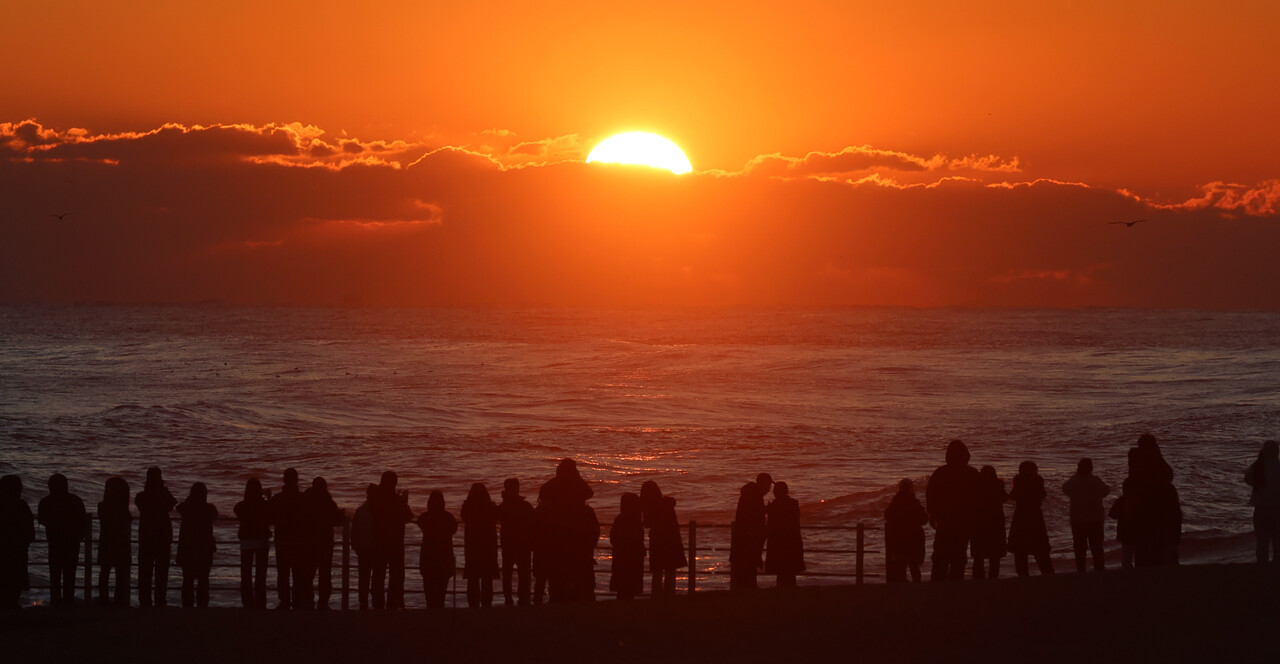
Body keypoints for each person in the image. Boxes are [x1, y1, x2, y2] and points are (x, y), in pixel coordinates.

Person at [925, 440, 980, 581]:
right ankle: (956, 584)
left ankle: (938, 584)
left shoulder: (940, 473)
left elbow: (931, 495)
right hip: (964, 522)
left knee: (941, 556)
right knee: (959, 554)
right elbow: (979, 499)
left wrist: (932, 515)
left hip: (945, 521)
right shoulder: (972, 473)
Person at [1128, 434, 1180, 567]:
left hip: (1142, 505)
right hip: (1154, 505)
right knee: (1155, 538)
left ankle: (1143, 565)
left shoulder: (1136, 459)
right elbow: (1168, 475)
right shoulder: (1152, 458)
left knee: (1143, 540)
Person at [38, 473, 86, 606]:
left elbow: (41, 519)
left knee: (55, 572)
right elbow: (82, 520)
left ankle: (55, 600)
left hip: (54, 540)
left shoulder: (46, 501)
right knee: (70, 572)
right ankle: (68, 600)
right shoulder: (75, 500)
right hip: (72, 541)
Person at [135, 466, 176, 607]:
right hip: (163, 536)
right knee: (162, 572)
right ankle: (160, 600)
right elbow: (173, 503)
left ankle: (144, 601)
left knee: (144, 572)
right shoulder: (164, 494)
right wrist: (163, 489)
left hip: (146, 536)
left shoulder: (141, 497)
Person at [372, 470, 413, 610]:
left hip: (379, 540)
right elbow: (408, 516)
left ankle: (377, 604)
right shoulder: (396, 500)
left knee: (378, 574)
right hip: (395, 541)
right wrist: (404, 501)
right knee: (396, 575)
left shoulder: (375, 499)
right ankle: (394, 603)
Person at [1063, 458, 1110, 573]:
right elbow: (1106, 491)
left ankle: (1081, 571)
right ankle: (1099, 570)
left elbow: (1065, 489)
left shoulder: (1074, 481)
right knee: (1097, 547)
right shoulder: (1095, 480)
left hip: (1078, 519)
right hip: (1095, 518)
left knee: (1080, 548)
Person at [640, 480, 687, 597]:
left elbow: (647, 524)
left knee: (657, 571)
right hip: (672, 540)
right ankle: (670, 595)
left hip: (657, 541)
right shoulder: (667, 504)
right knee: (670, 570)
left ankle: (656, 596)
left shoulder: (650, 507)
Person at [268, 468, 306, 609]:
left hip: (282, 541)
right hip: (299, 541)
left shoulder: (278, 499)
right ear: (297, 480)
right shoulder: (303, 499)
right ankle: (297, 601)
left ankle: (284, 602)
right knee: (298, 574)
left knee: (283, 574)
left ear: (284, 480)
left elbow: (269, 517)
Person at [1008, 461, 1054, 577]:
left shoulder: (1018, 480)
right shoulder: (1038, 480)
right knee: (1041, 550)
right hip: (1035, 517)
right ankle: (1049, 576)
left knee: (1020, 551)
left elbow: (1012, 496)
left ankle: (1023, 577)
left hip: (1020, 517)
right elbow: (1042, 495)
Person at [176, 482, 217, 608]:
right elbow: (215, 514)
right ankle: (202, 606)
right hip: (205, 549)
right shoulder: (209, 509)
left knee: (187, 580)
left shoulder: (186, 508)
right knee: (203, 580)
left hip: (188, 548)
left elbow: (179, 507)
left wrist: (190, 499)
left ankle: (187, 606)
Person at [304, 476, 342, 610]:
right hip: (325, 542)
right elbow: (337, 519)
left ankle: (307, 601)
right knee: (325, 574)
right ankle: (323, 602)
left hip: (308, 541)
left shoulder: (305, 500)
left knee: (308, 573)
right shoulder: (327, 501)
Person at [497, 478, 535, 606]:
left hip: (508, 544)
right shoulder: (525, 506)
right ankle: (523, 598)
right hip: (523, 544)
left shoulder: (503, 507)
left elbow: (496, 516)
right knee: (524, 573)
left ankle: (508, 598)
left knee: (507, 573)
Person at [234, 477, 271, 608]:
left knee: (246, 574)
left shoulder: (241, 506)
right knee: (261, 574)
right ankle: (261, 602)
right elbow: (271, 514)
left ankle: (247, 602)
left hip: (246, 542)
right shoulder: (264, 505)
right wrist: (268, 498)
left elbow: (237, 510)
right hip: (261, 541)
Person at [417, 490, 457, 608]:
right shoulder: (448, 517)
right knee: (441, 589)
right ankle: (439, 610)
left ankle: (430, 610)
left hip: (428, 557)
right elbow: (454, 529)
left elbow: (420, 523)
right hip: (444, 557)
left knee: (429, 589)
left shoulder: (425, 517)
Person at [730, 473, 770, 590]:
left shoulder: (750, 493)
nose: (768, 489)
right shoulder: (755, 494)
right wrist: (768, 509)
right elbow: (755, 514)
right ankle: (748, 588)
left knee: (744, 564)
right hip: (749, 536)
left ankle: (744, 588)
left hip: (744, 535)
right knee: (749, 564)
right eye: (768, 486)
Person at [0, 475, 35, 610]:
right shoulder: (21, 505)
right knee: (15, 578)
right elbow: (29, 529)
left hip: (5, 549)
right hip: (17, 550)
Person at [461, 482, 499, 608]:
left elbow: (463, 517)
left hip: (473, 547)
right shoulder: (491, 507)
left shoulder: (467, 508)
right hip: (488, 547)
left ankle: (473, 605)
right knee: (487, 579)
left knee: (473, 578)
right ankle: (487, 605)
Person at [884, 478, 928, 583]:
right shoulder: (914, 502)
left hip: (900, 538)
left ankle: (902, 587)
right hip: (914, 537)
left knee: (901, 565)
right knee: (914, 565)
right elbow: (924, 519)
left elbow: (887, 515)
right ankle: (916, 587)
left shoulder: (895, 502)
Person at [97, 476, 132, 605]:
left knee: (105, 571)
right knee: (120, 573)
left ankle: (103, 598)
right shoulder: (123, 510)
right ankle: (120, 600)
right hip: (121, 542)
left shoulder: (102, 506)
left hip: (106, 541)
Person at [1245, 440, 1280, 565]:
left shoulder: (1258, 467)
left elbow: (1247, 479)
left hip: (1261, 510)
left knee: (1262, 542)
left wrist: (1259, 460)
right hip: (1277, 510)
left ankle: (1262, 567)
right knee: (1278, 543)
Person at [970, 466, 1007, 580]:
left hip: (978, 522)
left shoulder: (976, 487)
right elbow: (1004, 499)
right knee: (995, 555)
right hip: (996, 522)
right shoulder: (998, 485)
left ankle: (978, 578)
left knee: (978, 554)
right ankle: (993, 578)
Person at [765, 481, 805, 587]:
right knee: (790, 572)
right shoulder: (793, 503)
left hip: (778, 544)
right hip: (792, 541)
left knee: (781, 572)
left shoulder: (775, 506)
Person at [609, 492, 645, 600]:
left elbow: (613, 538)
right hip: (633, 557)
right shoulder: (636, 521)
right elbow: (638, 538)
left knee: (622, 587)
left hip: (621, 555)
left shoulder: (619, 519)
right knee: (630, 586)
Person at [350, 484, 377, 609]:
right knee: (375, 576)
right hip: (374, 547)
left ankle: (363, 602)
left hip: (363, 547)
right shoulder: (379, 512)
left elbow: (353, 530)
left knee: (363, 576)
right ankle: (375, 601)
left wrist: (355, 545)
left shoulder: (360, 511)